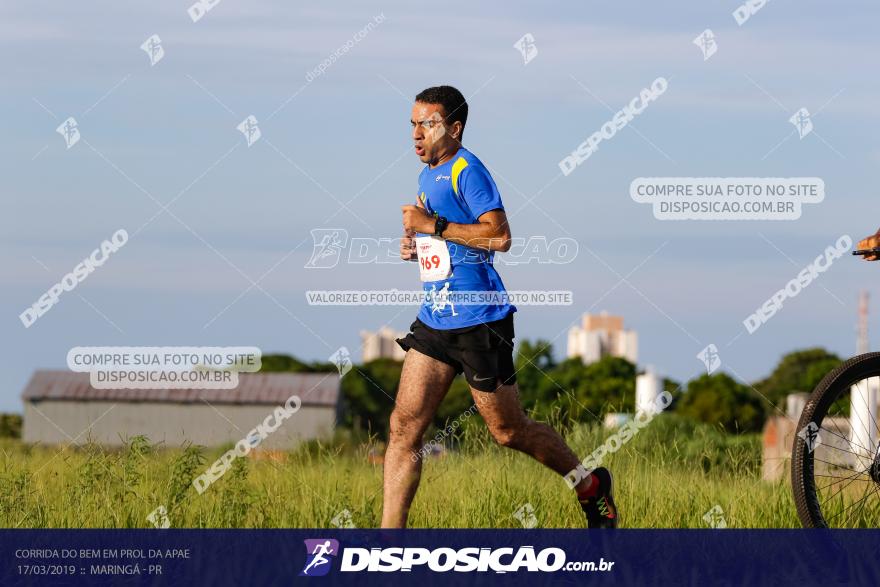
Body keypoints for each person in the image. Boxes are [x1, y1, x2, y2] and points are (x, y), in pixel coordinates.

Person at [381, 85, 617, 529]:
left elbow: (499, 237)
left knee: (508, 431)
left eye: (427, 124)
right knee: (403, 428)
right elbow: (451, 238)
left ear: (453, 127)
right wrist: (422, 244)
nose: (416, 133)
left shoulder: (467, 170)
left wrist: (432, 224)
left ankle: (589, 486)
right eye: (412, 123)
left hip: (479, 320)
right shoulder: (427, 173)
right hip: (435, 318)